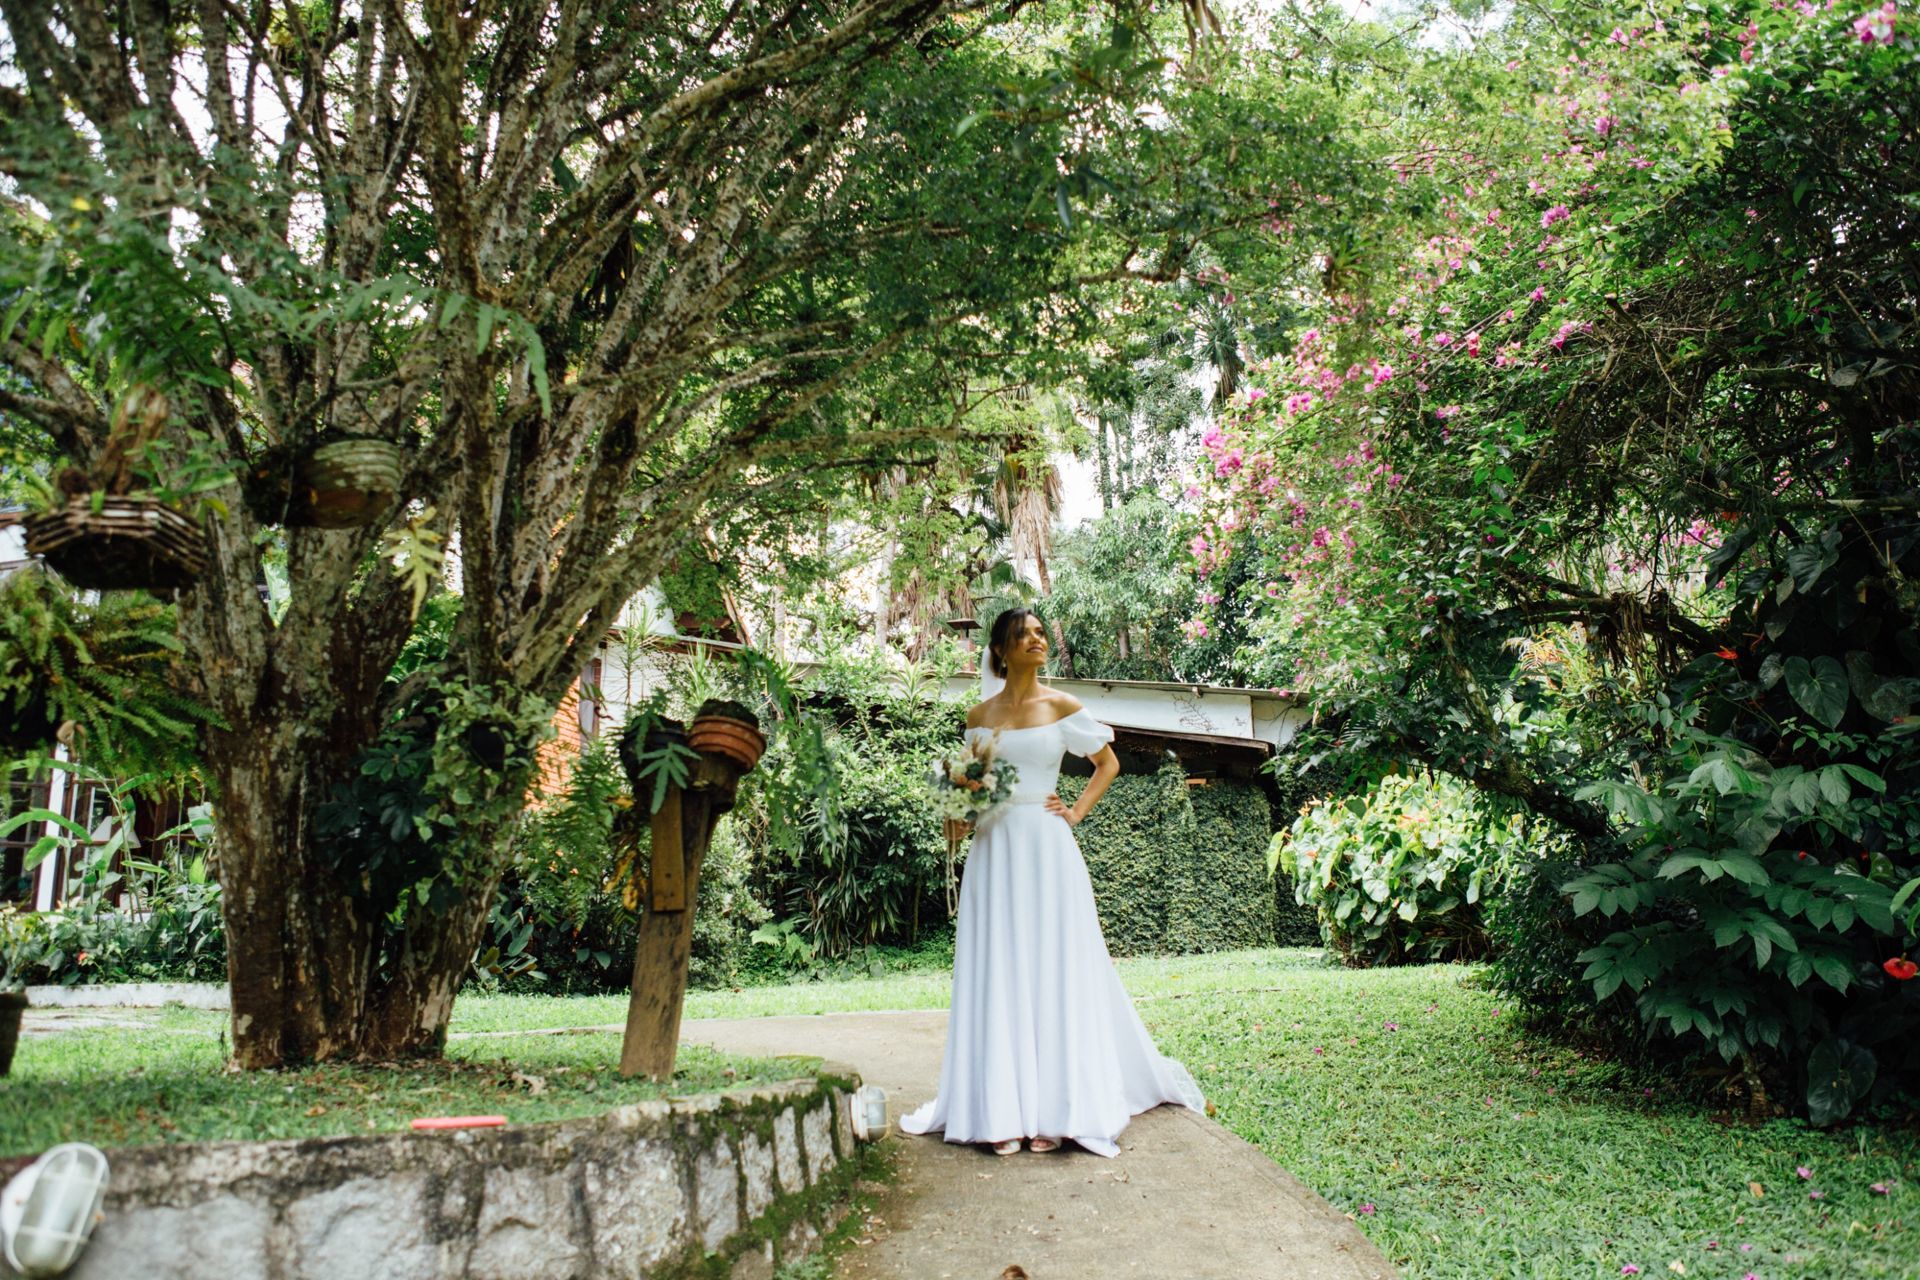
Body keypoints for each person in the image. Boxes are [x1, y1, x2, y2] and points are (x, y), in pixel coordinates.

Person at [900, 606, 1205, 1157]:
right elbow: (972, 790)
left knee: (1052, 966)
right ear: (1002, 649)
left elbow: (1105, 763)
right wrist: (954, 811)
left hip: (1046, 846)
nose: (1039, 640)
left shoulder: (1063, 705)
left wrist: (1076, 811)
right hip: (994, 851)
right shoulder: (979, 713)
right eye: (1027, 634)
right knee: (1001, 968)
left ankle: (1057, 1111)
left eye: (1041, 633)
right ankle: (998, 1112)